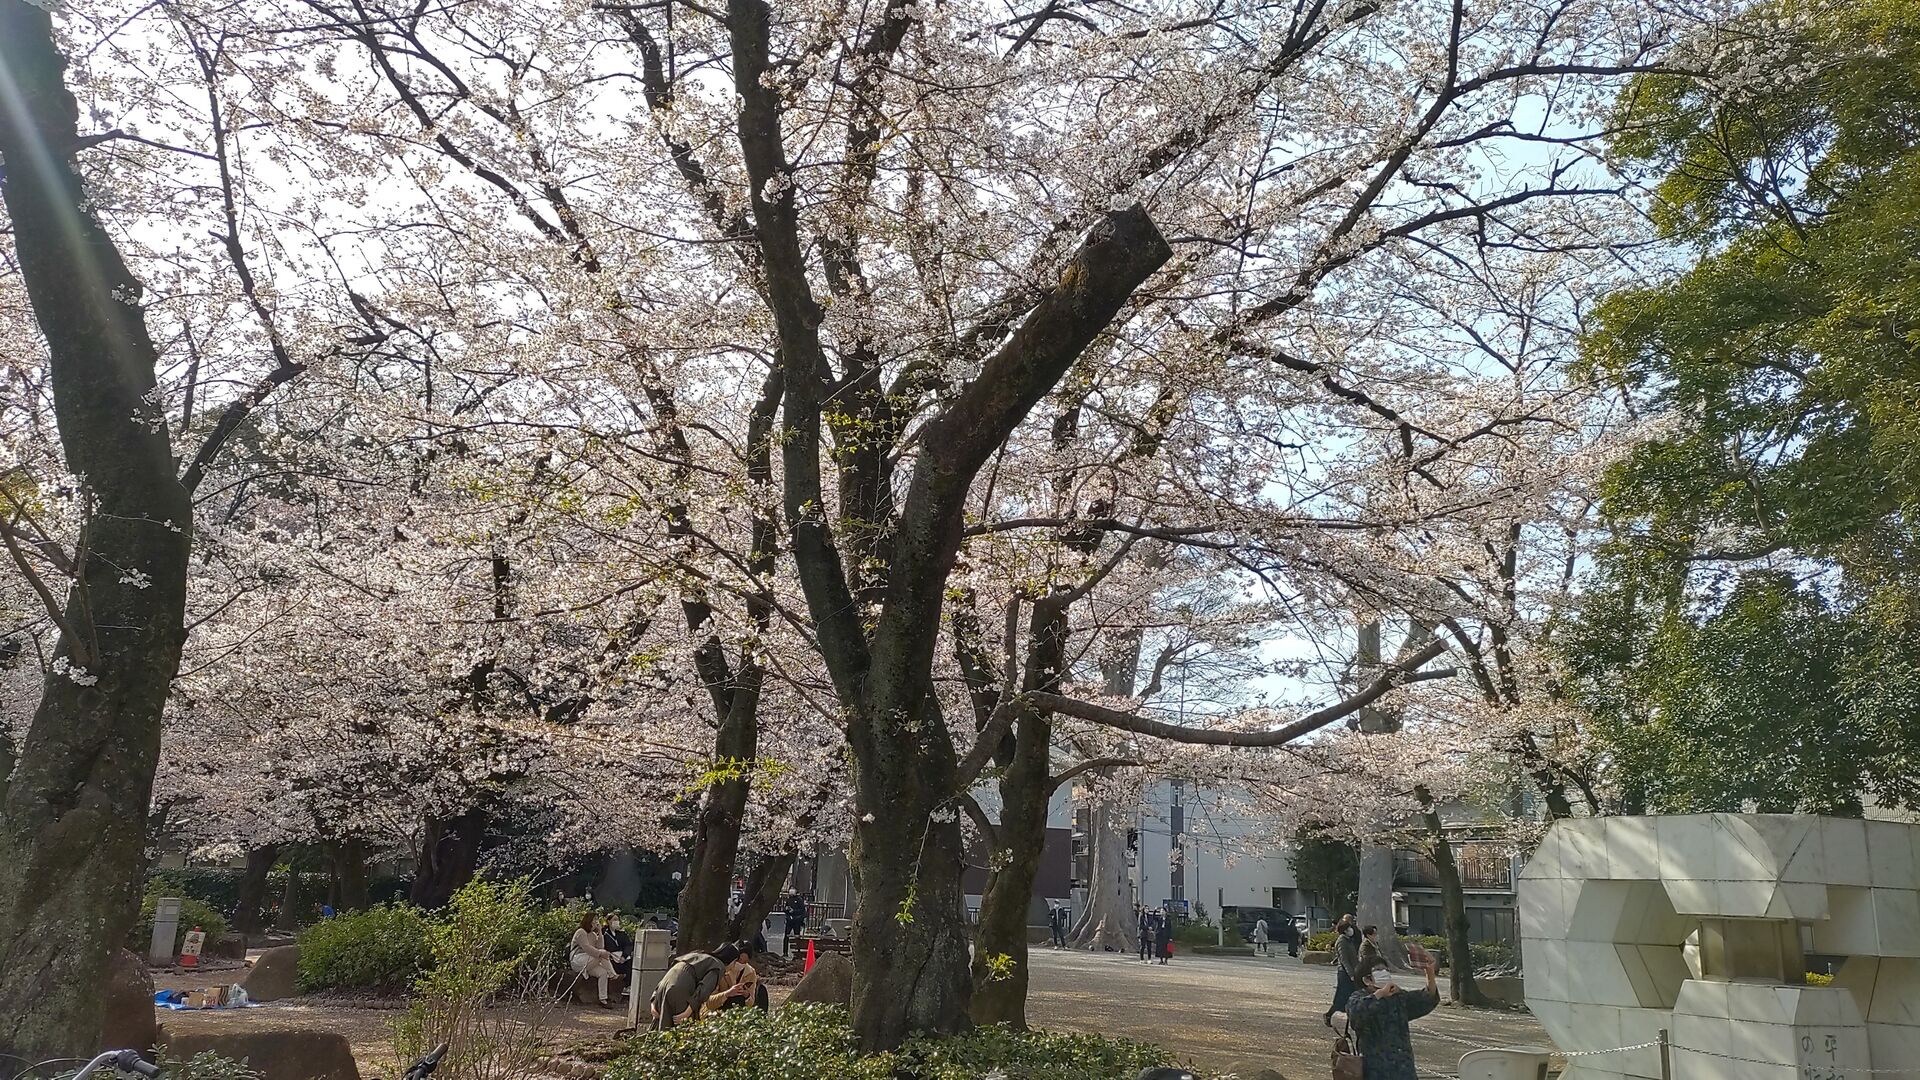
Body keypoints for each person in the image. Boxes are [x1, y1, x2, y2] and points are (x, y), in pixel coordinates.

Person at [1346, 955, 1440, 1079]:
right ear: (1367, 980)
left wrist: (1430, 973)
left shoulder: (1397, 997)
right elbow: (1357, 1014)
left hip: (1403, 1067)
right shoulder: (1358, 997)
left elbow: (1426, 999)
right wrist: (1379, 994)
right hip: (1375, 1067)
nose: (1384, 974)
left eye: (1386, 970)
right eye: (1379, 971)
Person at [650, 942, 740, 1030]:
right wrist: (687, 1013)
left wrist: (653, 1002)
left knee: (660, 1027)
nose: (734, 966)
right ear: (731, 960)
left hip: (664, 984)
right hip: (681, 989)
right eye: (735, 962)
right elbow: (703, 990)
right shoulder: (718, 965)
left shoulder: (698, 954)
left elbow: (672, 971)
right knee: (682, 1031)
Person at [569, 912, 618, 1009]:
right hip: (578, 959)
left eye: (597, 920)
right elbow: (587, 948)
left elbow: (600, 947)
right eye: (594, 920)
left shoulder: (592, 934)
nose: (596, 922)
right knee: (602, 954)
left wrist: (600, 933)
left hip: (590, 959)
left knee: (602, 973)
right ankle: (612, 974)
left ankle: (603, 999)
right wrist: (601, 953)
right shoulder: (581, 932)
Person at [708, 940, 768, 1014]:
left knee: (761, 990)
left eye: (745, 962)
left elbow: (751, 1002)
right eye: (739, 960)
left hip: (739, 1010)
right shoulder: (721, 970)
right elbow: (708, 1002)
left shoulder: (750, 972)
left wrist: (747, 995)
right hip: (718, 1010)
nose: (741, 964)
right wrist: (727, 993)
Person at [1324, 915, 1360, 1026]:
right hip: (1344, 973)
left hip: (1351, 972)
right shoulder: (1342, 941)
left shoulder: (1348, 940)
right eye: (1349, 928)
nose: (1351, 930)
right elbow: (1344, 960)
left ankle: (1353, 1019)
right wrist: (1351, 974)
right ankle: (1329, 1014)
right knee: (1342, 997)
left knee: (1352, 997)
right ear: (1344, 930)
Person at [602, 912, 633, 990]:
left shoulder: (621, 934)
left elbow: (628, 945)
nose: (617, 921)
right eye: (614, 919)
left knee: (631, 964)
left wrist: (624, 956)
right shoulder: (604, 933)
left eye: (617, 920)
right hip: (611, 957)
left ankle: (627, 986)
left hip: (623, 957)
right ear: (609, 921)